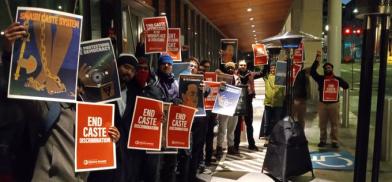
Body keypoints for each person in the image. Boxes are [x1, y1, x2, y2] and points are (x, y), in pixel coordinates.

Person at [1, 22, 120, 182]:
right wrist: (9, 53)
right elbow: (22, 93)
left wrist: (111, 140)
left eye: (84, 82)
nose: (80, 86)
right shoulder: (50, 107)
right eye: (76, 80)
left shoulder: (95, 114)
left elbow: (98, 157)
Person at [310, 51, 349, 148]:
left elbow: (346, 86)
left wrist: (338, 81)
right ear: (324, 70)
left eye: (329, 68)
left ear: (332, 69)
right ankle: (322, 140)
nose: (328, 69)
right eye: (326, 68)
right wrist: (317, 60)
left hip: (334, 105)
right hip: (322, 104)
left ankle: (334, 141)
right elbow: (312, 72)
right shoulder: (320, 79)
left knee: (334, 124)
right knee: (322, 124)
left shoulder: (337, 79)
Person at [155, 55, 181, 182]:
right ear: (159, 65)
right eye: (164, 64)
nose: (166, 66)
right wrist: (170, 101)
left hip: (173, 128)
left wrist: (205, 91)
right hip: (157, 127)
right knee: (158, 164)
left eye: (169, 64)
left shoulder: (176, 82)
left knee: (171, 163)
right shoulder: (154, 80)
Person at [234, 60, 264, 151]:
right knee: (237, 125)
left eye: (244, 65)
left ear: (246, 66)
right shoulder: (234, 74)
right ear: (238, 66)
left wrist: (266, 60)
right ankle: (235, 145)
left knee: (249, 124)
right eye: (241, 65)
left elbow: (263, 73)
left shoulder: (251, 74)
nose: (243, 66)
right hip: (238, 103)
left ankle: (251, 144)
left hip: (247, 103)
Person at [215, 62, 240, 156]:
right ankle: (219, 147)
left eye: (232, 68)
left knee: (231, 128)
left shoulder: (237, 78)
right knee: (222, 128)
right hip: (224, 106)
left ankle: (231, 147)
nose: (230, 69)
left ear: (234, 69)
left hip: (234, 106)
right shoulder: (221, 77)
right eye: (228, 68)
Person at [261, 63, 285, 146]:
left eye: (274, 68)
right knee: (266, 123)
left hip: (278, 103)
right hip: (268, 103)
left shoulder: (281, 78)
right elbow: (263, 72)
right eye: (271, 68)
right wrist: (265, 61)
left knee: (277, 122)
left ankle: (276, 138)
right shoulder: (267, 77)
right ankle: (267, 139)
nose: (273, 70)